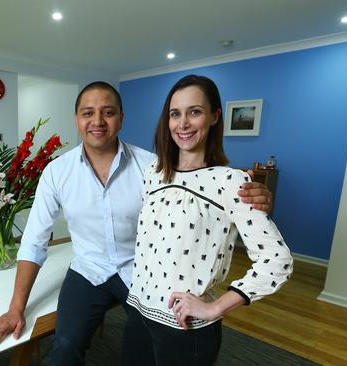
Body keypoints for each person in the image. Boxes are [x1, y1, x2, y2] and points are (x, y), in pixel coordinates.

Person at [0, 81, 273, 365]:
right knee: (64, 347)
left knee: (159, 346)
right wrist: (16, 309)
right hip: (88, 269)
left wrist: (252, 198)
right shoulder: (57, 172)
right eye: (88, 113)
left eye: (108, 112)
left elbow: (196, 190)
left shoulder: (153, 168)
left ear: (121, 118)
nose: (98, 121)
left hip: (143, 273)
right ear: (76, 119)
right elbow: (34, 240)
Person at [120, 75, 293, 366]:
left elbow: (277, 261)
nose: (183, 123)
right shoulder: (154, 173)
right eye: (175, 114)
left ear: (214, 117)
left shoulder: (230, 182)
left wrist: (215, 308)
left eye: (195, 112)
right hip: (138, 310)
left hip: (183, 327)